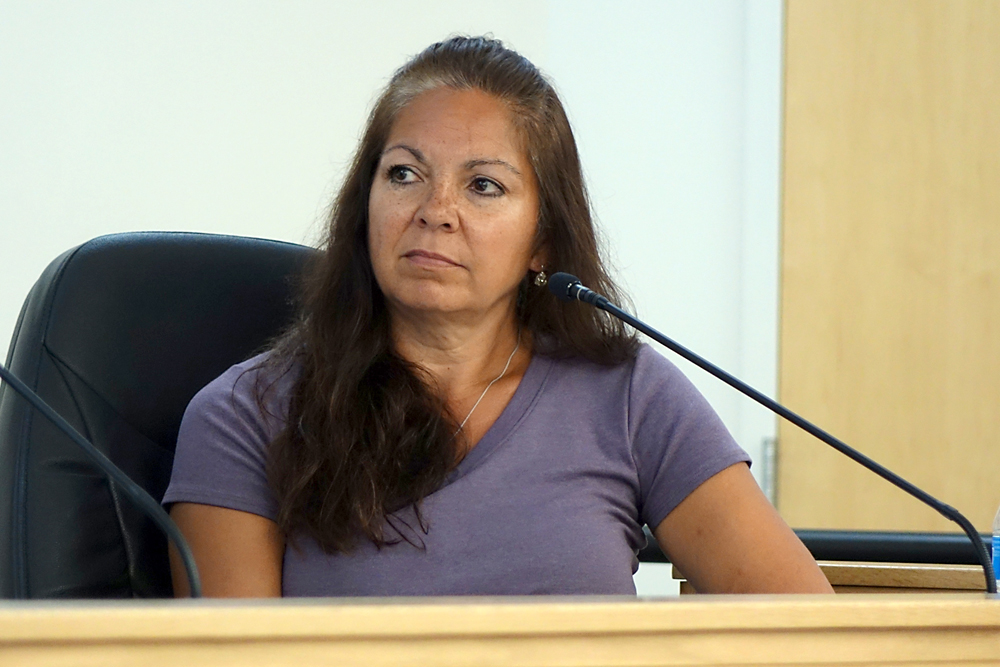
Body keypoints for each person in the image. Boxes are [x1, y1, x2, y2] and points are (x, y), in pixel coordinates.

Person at [163, 36, 833, 597]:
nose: (436, 210)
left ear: (543, 240)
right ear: (364, 204)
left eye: (483, 185)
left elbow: (806, 630)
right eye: (404, 174)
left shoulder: (629, 394)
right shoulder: (245, 417)